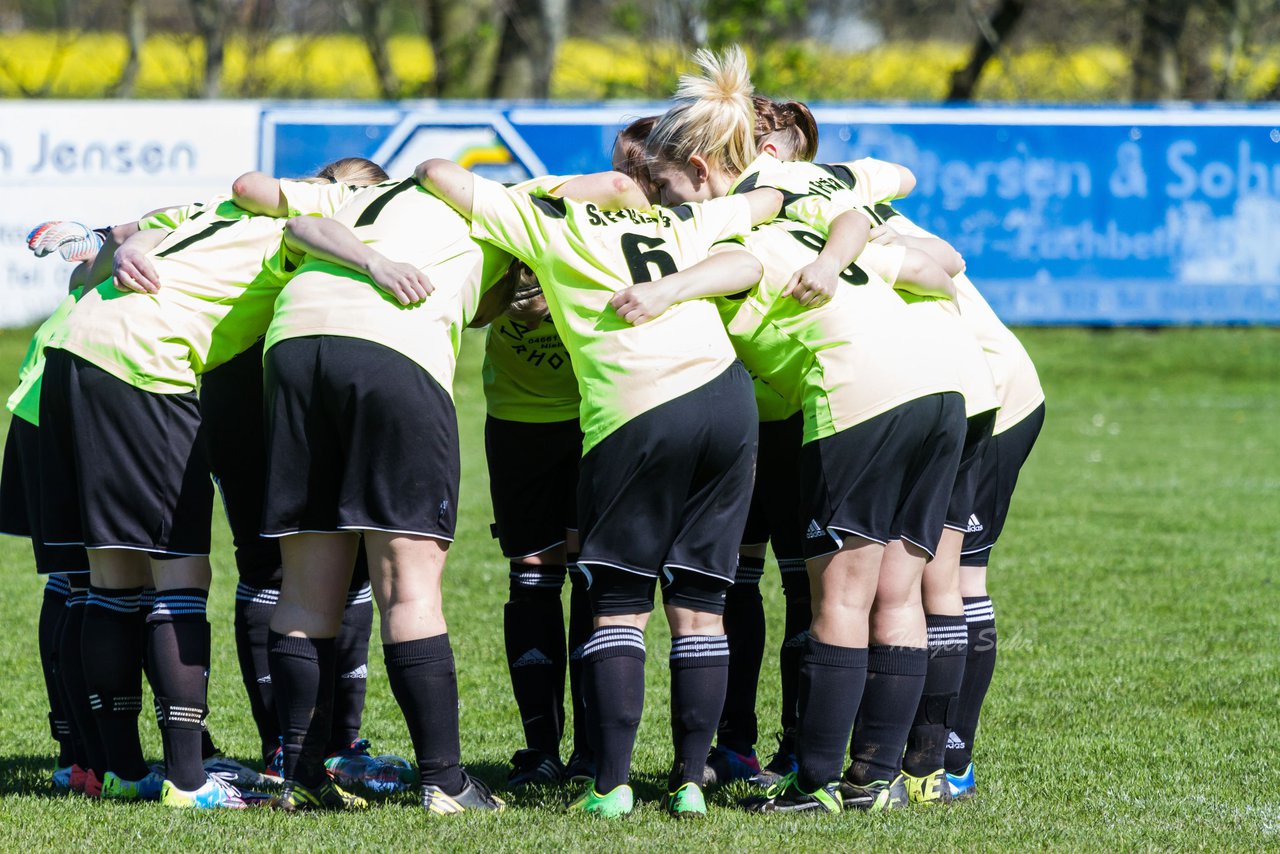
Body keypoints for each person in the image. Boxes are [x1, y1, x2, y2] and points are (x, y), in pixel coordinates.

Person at [418, 133, 782, 817]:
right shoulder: (680, 219)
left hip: (635, 406)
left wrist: (551, 190)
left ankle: (609, 784)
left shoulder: (546, 217)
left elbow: (437, 171)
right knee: (702, 605)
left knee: (617, 602)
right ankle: (689, 783)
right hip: (726, 401)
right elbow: (761, 211)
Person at [36, 158, 382, 809]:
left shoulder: (209, 211)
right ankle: (189, 782)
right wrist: (376, 264)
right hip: (148, 364)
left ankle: (120, 769)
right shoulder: (308, 219)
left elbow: (126, 232)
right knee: (180, 577)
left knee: (113, 580)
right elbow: (310, 225)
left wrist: (123, 243)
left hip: (74, 347)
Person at [256, 173, 514, 814]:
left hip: (292, 346)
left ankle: (300, 775)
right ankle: (446, 783)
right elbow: (618, 184)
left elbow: (290, 220)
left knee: (306, 586)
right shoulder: (506, 202)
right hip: (391, 351)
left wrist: (370, 256)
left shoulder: (358, 195)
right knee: (410, 581)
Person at [479, 261, 595, 787]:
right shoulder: (495, 251)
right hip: (516, 427)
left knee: (595, 580)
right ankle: (542, 748)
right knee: (531, 579)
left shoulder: (584, 251)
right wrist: (506, 293)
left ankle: (593, 751)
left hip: (593, 421)